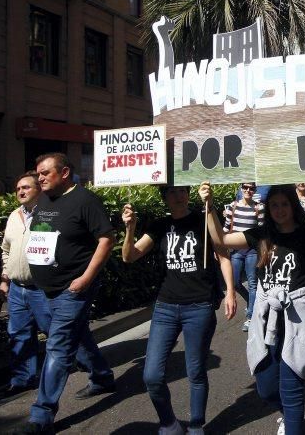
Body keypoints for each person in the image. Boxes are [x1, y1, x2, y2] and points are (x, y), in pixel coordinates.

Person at [202, 183, 305, 435]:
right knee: (265, 388)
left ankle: (292, 418)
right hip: (266, 319)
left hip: (297, 319)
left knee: (291, 389)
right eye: (274, 205)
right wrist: (209, 207)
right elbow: (220, 239)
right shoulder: (261, 234)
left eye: (284, 204)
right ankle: (289, 413)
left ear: (292, 205)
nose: (279, 209)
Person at [122, 186, 236, 434]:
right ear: (164, 198)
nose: (179, 196)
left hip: (199, 306)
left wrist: (230, 291)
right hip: (165, 307)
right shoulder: (160, 226)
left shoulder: (202, 219)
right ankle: (169, 423)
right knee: (151, 375)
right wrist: (130, 229)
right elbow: (130, 256)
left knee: (195, 371)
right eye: (173, 192)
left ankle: (196, 425)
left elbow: (223, 254)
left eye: (183, 190)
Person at [15, 153, 116, 434]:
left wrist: (85, 278)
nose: (40, 178)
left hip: (73, 288)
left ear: (65, 173)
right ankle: (103, 376)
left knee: (57, 346)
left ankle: (41, 415)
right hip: (46, 287)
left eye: (46, 173)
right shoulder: (46, 198)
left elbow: (107, 239)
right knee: (77, 333)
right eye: (38, 174)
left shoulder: (86, 201)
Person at [0, 172, 51, 401]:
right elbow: (6, 250)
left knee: (58, 333)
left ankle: (92, 368)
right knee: (19, 336)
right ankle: (22, 380)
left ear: (39, 189)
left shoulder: (51, 213)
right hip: (17, 289)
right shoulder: (13, 216)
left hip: (43, 290)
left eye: (26, 187)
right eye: (18, 188)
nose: (20, 191)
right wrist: (5, 278)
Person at [224, 183, 264, 332]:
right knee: (234, 283)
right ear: (241, 188)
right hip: (236, 251)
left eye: (251, 188)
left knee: (252, 283)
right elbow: (226, 228)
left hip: (252, 251)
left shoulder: (259, 208)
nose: (248, 190)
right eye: (245, 187)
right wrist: (219, 246)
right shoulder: (232, 207)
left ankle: (250, 315)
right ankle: (250, 302)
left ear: (255, 190)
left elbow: (262, 231)